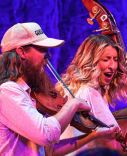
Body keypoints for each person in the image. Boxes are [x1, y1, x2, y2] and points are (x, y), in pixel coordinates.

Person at [0, 22, 118, 156]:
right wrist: (73, 103)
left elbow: (50, 149)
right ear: (21, 52)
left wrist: (94, 134)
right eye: (41, 49)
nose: (47, 56)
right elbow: (46, 135)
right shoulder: (8, 91)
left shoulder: (28, 94)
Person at [56, 34, 127, 155]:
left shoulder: (80, 89)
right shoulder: (89, 92)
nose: (112, 66)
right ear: (91, 62)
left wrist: (124, 70)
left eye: (115, 59)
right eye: (106, 59)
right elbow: (107, 147)